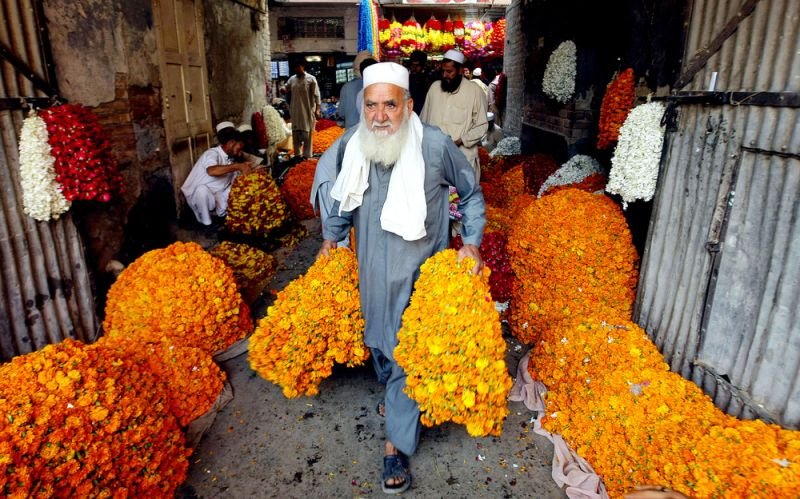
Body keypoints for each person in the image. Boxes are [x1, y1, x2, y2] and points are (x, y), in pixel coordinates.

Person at [317, 62, 486, 494]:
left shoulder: (434, 145)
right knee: (380, 344)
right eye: (371, 106)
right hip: (371, 273)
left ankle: (395, 444)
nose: (379, 116)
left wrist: (471, 241)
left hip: (419, 277)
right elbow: (340, 199)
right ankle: (398, 398)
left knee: (406, 353)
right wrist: (331, 239)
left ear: (408, 106)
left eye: (389, 105)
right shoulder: (351, 144)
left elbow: (470, 194)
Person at [420, 49, 488, 181]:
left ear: (460, 70)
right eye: (443, 71)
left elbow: (481, 125)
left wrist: (460, 140)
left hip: (462, 158)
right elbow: (423, 120)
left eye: (449, 71)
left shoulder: (474, 91)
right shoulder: (434, 88)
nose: (445, 75)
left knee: (461, 193)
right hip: (434, 158)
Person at [181, 127, 253, 226]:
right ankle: (206, 223)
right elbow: (211, 171)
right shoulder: (212, 153)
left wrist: (250, 170)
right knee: (201, 190)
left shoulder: (231, 158)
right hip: (200, 197)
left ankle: (221, 215)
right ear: (231, 143)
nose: (239, 153)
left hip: (217, 196)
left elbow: (237, 177)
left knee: (239, 186)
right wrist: (237, 166)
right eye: (239, 149)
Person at [282, 59, 322, 159]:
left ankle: (307, 156)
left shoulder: (311, 79)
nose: (296, 69)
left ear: (303, 66)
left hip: (307, 111)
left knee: (307, 134)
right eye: (295, 68)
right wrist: (283, 89)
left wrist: (317, 109)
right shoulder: (292, 79)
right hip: (295, 111)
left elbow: (317, 95)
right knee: (296, 133)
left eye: (298, 67)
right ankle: (297, 155)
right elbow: (286, 88)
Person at [337, 50, 373, 129]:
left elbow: (341, 113)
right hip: (370, 132)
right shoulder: (376, 86)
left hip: (351, 132)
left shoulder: (346, 87)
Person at [407, 50, 432, 116]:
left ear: (423, 66)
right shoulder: (406, 78)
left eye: (417, 65)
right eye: (412, 65)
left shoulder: (428, 80)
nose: (414, 68)